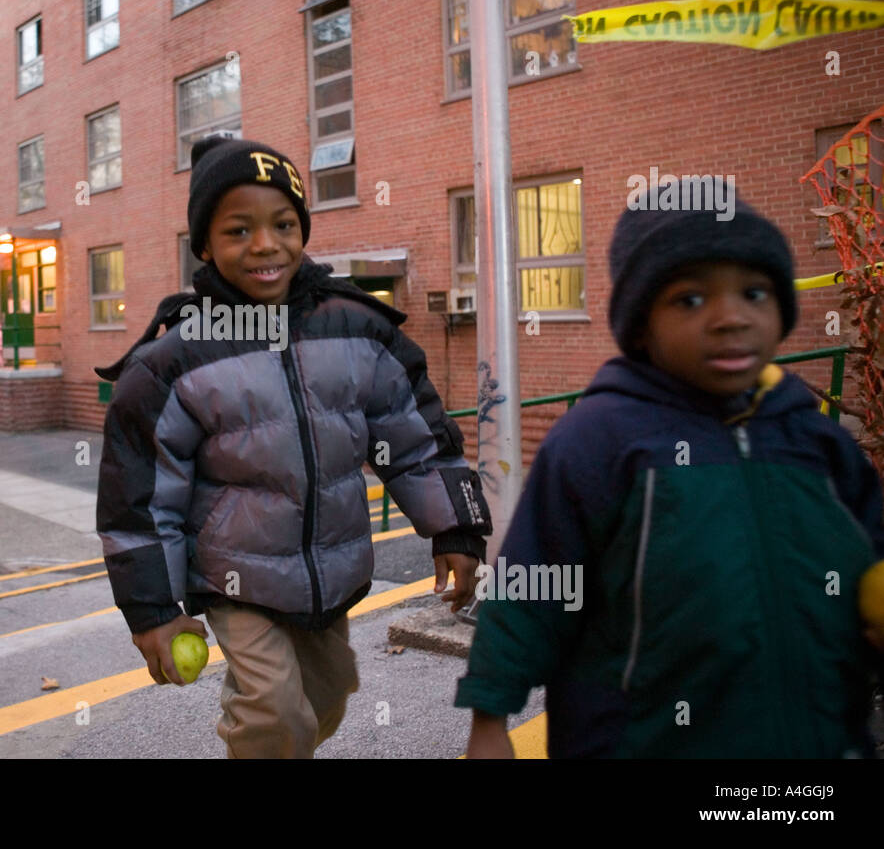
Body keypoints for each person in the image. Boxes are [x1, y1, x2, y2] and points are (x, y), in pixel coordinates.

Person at [95, 135, 492, 758]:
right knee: (275, 709)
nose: (265, 244)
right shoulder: (175, 360)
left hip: (332, 572)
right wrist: (153, 610)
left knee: (325, 699)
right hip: (234, 577)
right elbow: (141, 500)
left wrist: (456, 529)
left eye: (283, 224)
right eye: (238, 230)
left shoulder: (355, 327)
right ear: (204, 244)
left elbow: (415, 437)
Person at [456, 185, 884, 758]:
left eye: (754, 293)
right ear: (641, 325)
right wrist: (489, 717)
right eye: (690, 299)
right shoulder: (596, 442)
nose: (731, 318)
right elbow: (530, 588)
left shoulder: (817, 442)